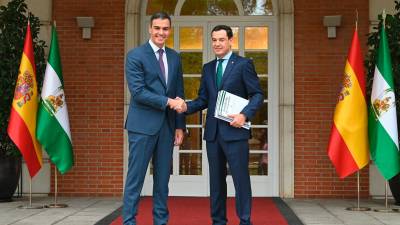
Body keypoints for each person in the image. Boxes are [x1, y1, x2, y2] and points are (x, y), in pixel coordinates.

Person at [178, 25, 264, 225]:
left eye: (221, 39)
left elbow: (257, 94)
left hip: (235, 132)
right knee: (216, 183)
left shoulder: (243, 64)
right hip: (213, 135)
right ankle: (218, 221)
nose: (217, 43)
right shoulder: (208, 68)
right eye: (214, 40)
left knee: (241, 180)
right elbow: (203, 99)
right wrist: (185, 107)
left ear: (230, 40)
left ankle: (245, 220)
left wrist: (245, 115)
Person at [123, 12, 186, 225]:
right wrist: (168, 102)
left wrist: (180, 126)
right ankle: (129, 221)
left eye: (165, 28)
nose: (161, 32)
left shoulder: (175, 57)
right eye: (157, 28)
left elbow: (179, 91)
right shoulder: (135, 55)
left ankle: (161, 221)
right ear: (150, 29)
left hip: (167, 127)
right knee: (135, 178)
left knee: (162, 181)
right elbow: (138, 92)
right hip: (142, 126)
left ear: (170, 30)